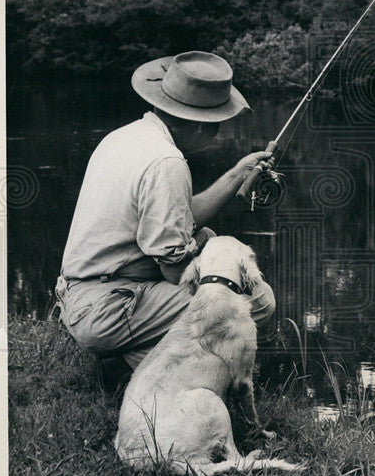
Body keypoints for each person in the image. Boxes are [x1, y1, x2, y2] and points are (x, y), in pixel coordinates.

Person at [55, 50, 276, 373]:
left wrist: (238, 174)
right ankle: (158, 363)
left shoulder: (128, 137)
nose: (218, 132)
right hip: (106, 309)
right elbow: (174, 273)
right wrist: (223, 268)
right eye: (218, 124)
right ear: (201, 126)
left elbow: (180, 218)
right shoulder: (167, 164)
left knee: (207, 241)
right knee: (257, 301)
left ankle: (140, 358)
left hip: (81, 294)